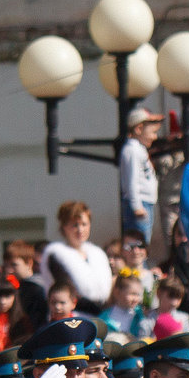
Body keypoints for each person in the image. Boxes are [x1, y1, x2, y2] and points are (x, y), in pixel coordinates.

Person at [40, 203, 114, 313]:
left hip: (102, 316)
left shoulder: (97, 253)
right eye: (75, 225)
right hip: (73, 317)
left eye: (84, 224)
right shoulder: (56, 254)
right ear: (64, 227)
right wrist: (100, 312)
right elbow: (69, 291)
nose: (80, 229)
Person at [119, 109, 163, 242]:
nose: (155, 137)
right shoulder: (132, 150)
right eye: (153, 133)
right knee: (139, 242)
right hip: (140, 204)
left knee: (144, 241)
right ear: (138, 129)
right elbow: (131, 180)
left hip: (146, 203)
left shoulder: (139, 149)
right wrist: (136, 206)